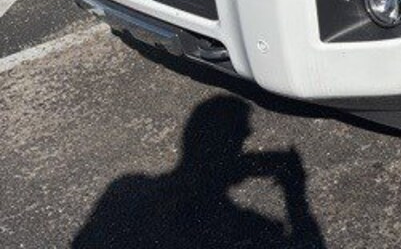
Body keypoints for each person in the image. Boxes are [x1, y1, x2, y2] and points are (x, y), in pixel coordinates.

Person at [73, 95, 325, 248]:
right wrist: (295, 191)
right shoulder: (245, 225)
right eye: (241, 130)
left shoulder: (127, 188)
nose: (248, 135)